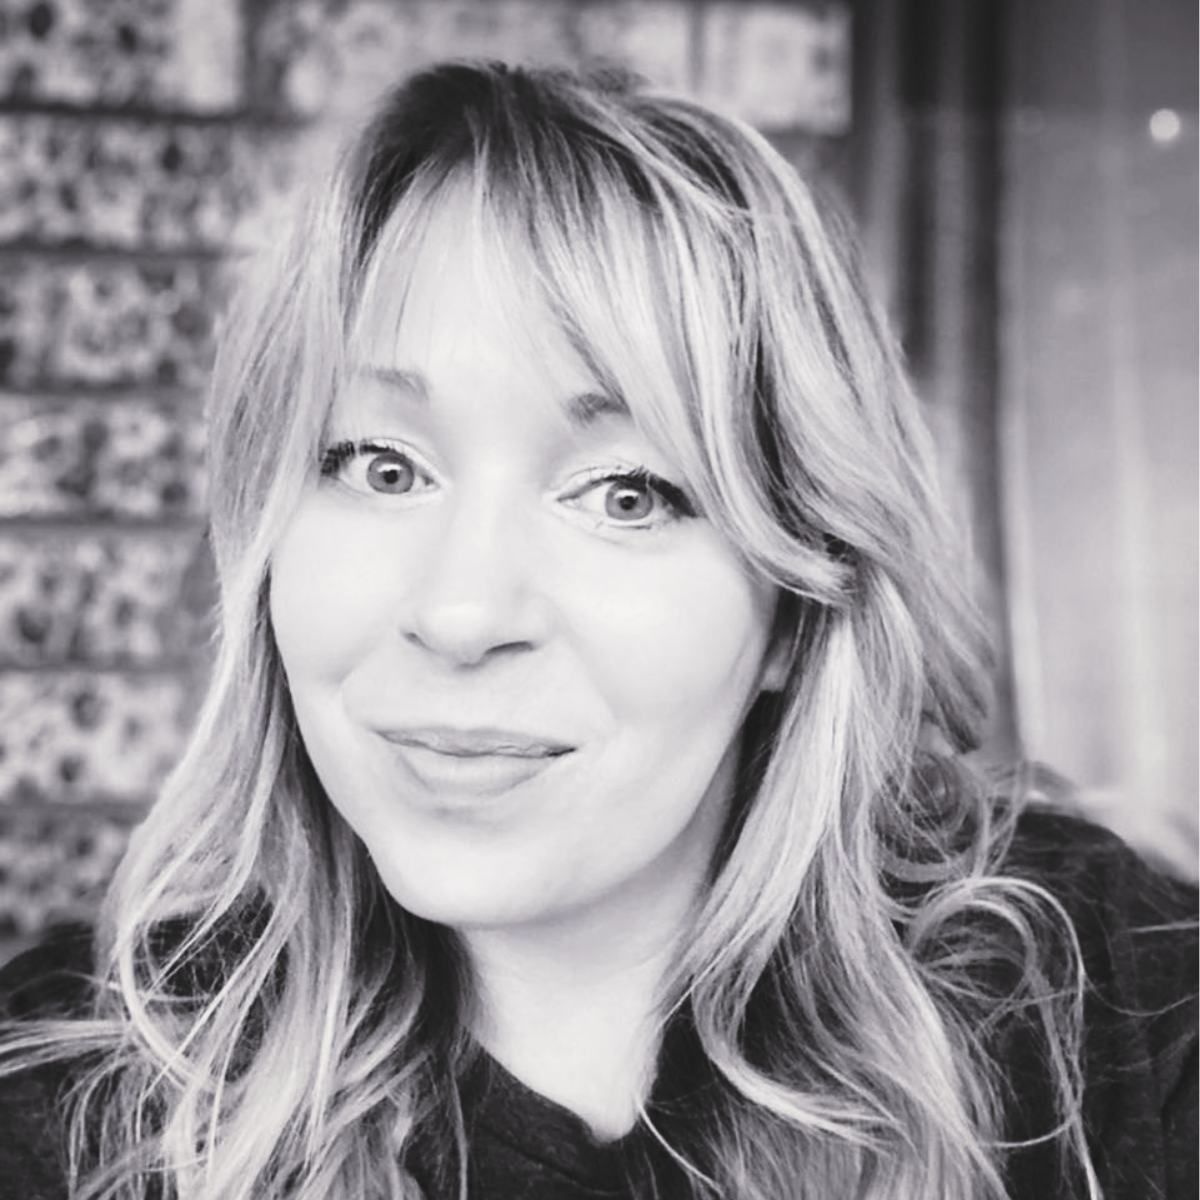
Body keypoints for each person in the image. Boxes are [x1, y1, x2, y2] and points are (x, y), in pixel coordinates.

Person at [0, 60, 1194, 1200]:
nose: (461, 614)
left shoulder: (1108, 1010)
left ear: (796, 605)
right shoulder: (80, 1101)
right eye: (379, 464)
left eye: (627, 493)